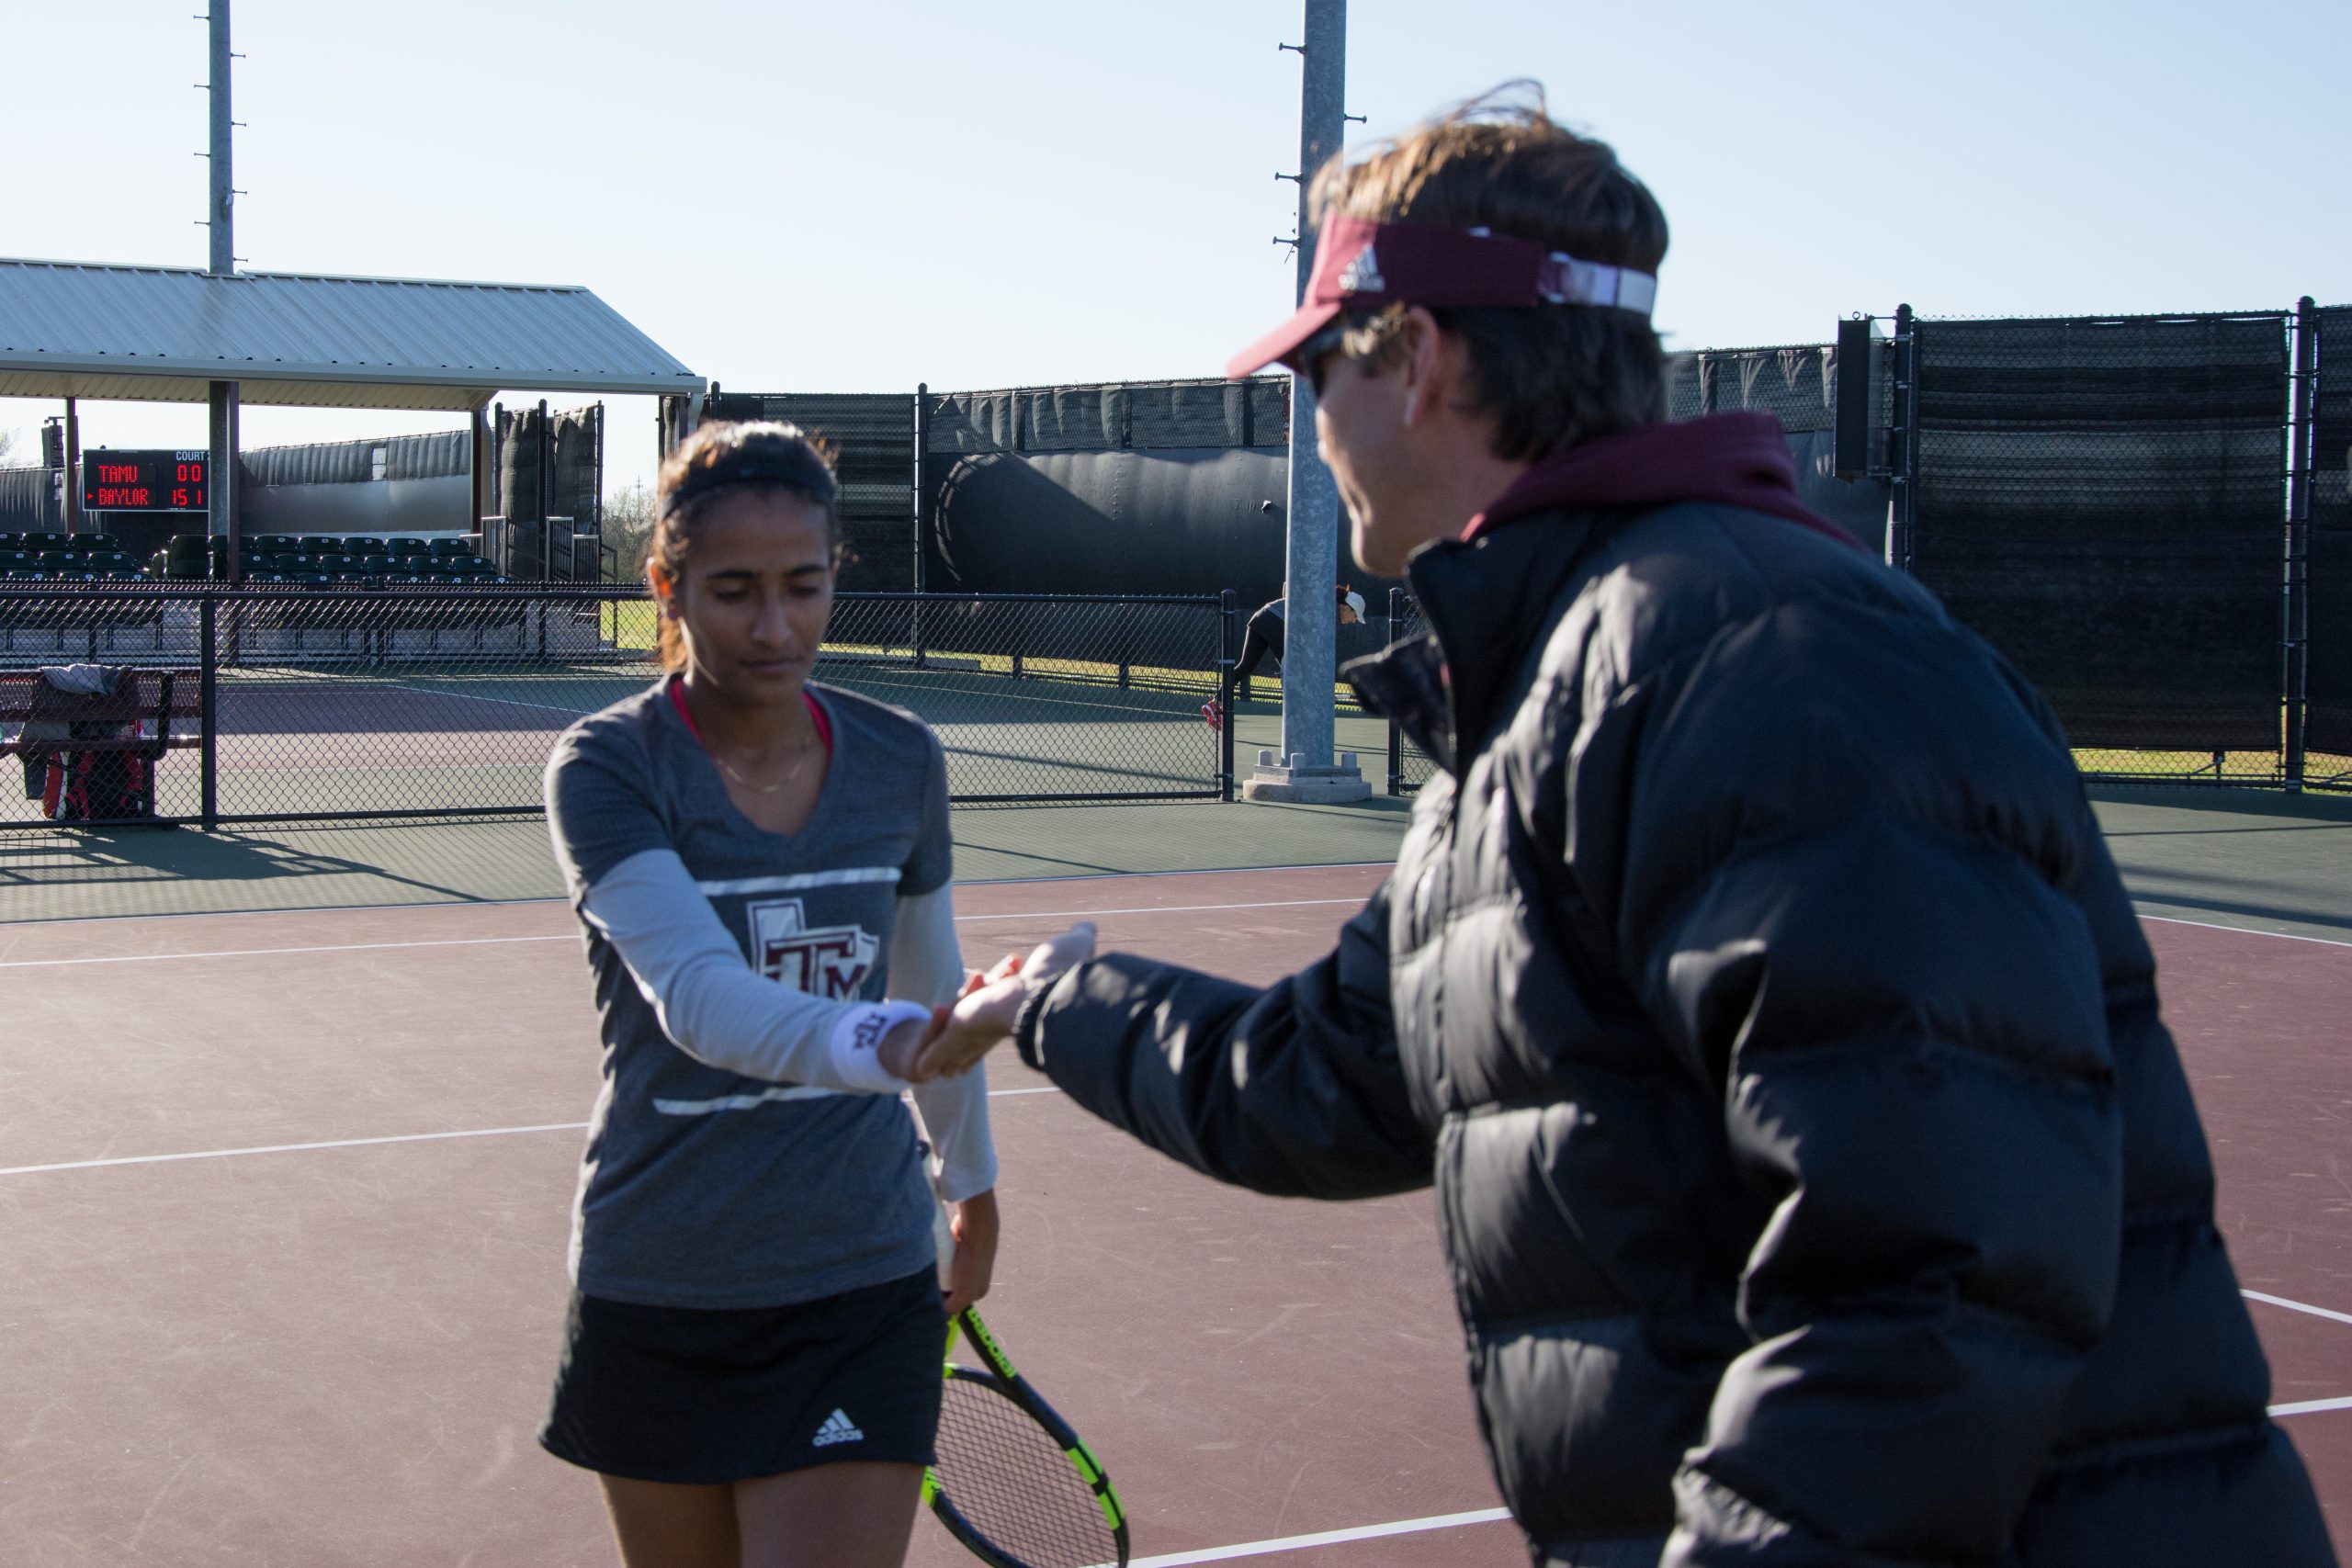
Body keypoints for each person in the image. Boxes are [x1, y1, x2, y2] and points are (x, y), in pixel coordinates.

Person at [919, 92, 2335, 1566]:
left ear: (1419, 358)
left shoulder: (1777, 664)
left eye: (1319, 368)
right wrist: (1055, 1002)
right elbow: (1326, 1077)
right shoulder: (1558, 687)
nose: (1311, 421)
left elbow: (1927, 1280)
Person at [539, 421, 1002, 1568]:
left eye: (804, 586)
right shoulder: (607, 767)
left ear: (838, 573)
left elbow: (929, 977)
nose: (775, 626)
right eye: (734, 591)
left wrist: (973, 1182)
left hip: (863, 1275)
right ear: (668, 587)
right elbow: (698, 998)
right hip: (661, 1276)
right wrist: (890, 1047)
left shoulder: (902, 756)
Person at [1202, 582, 1366, 728]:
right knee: (1292, 670)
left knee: (1246, 665)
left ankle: (1214, 703)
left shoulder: (1322, 597)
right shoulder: (1332, 614)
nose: (1353, 621)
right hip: (1277, 622)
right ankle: (1298, 723)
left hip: (1263, 615)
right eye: (1355, 616)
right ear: (1347, 607)